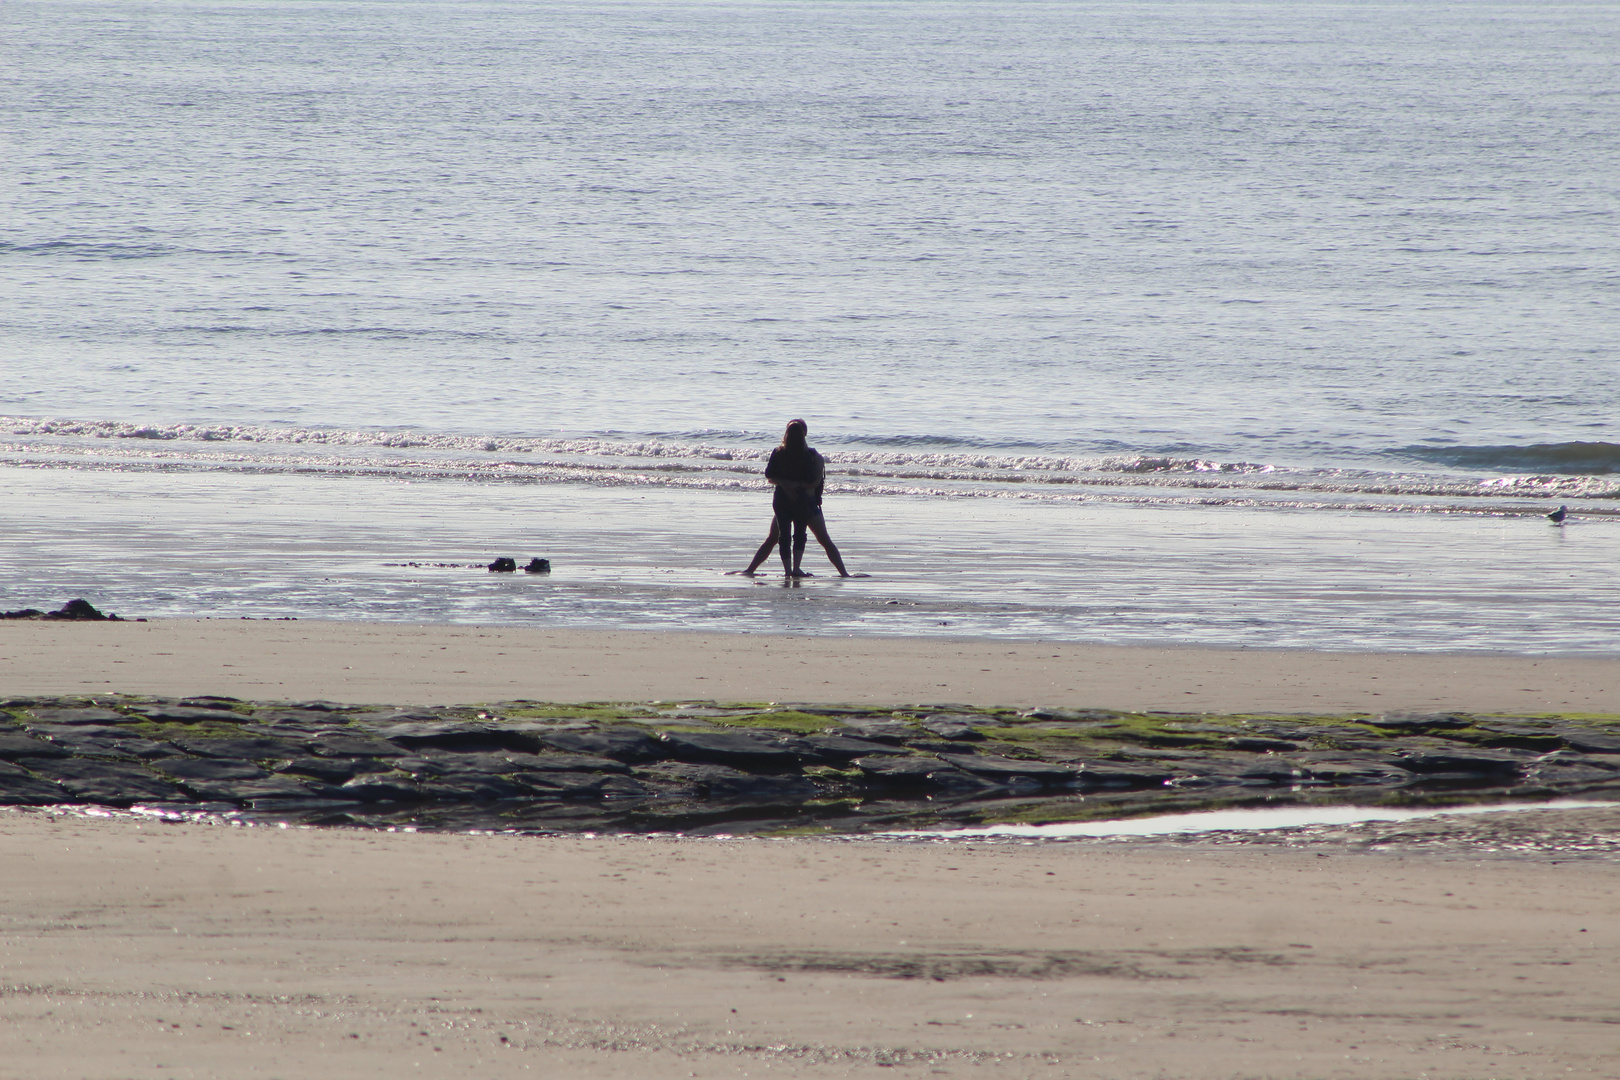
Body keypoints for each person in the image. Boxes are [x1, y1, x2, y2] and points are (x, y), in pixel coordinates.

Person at [745, 419, 850, 577]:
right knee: (816, 539)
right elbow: (810, 482)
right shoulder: (805, 455)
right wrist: (790, 486)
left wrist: (788, 486)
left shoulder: (809, 456)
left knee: (778, 537)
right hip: (802, 502)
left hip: (796, 501)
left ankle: (753, 570)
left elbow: (811, 481)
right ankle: (843, 574)